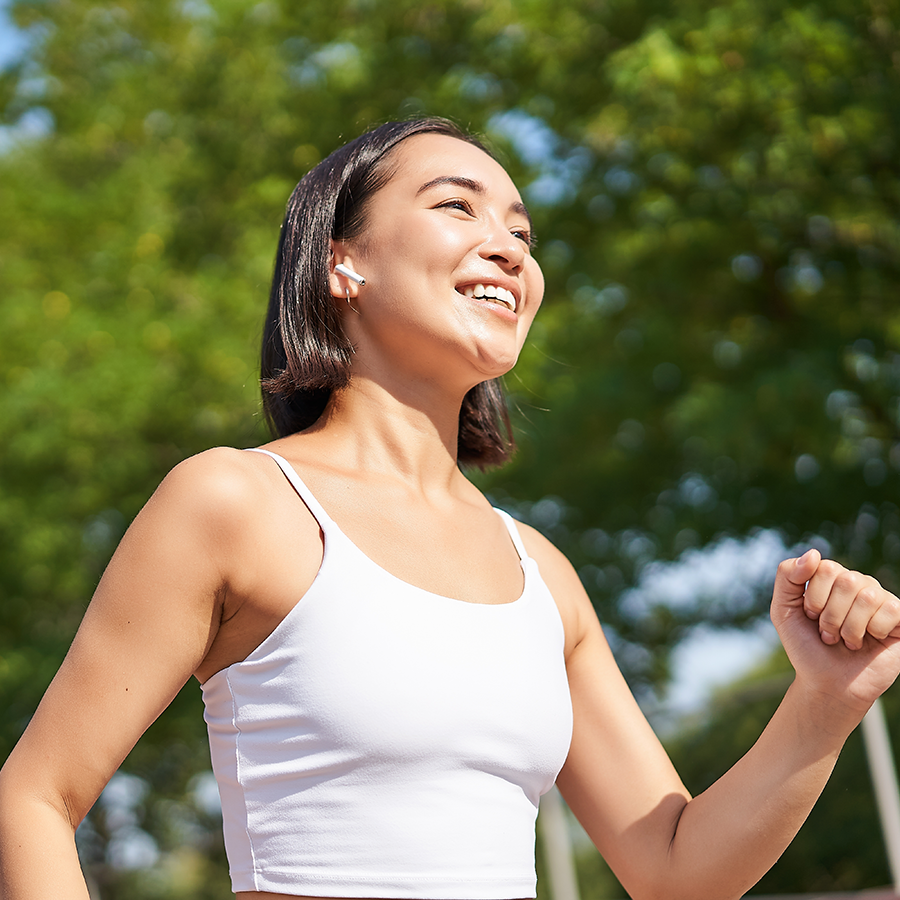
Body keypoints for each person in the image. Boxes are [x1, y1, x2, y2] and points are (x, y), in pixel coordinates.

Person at [1, 116, 899, 900]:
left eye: (522, 230)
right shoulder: (237, 500)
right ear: (342, 263)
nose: (511, 248)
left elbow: (673, 870)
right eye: (456, 206)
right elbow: (33, 800)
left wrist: (826, 701)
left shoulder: (540, 571)